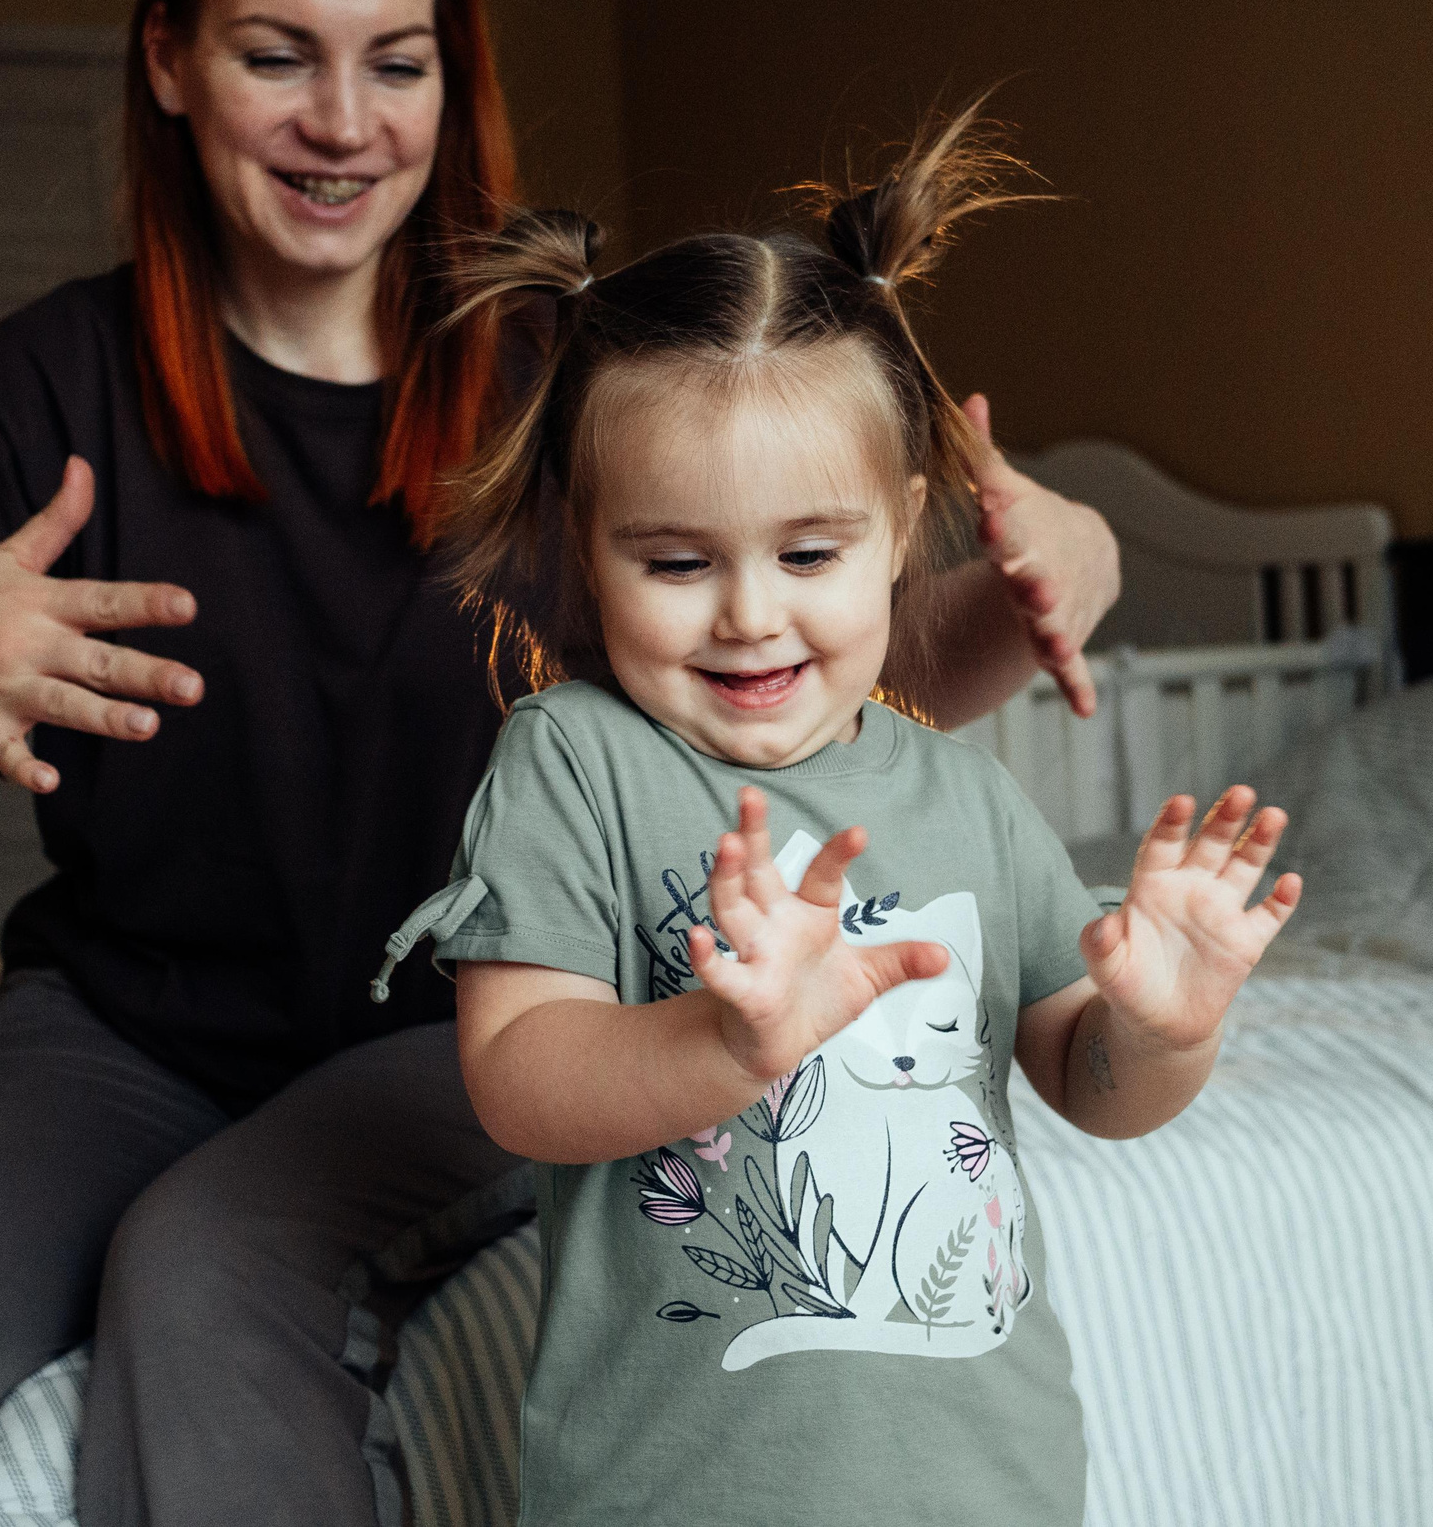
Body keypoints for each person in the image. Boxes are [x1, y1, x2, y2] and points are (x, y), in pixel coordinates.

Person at [0, 0, 1120, 1526]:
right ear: (168, 61)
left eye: (398, 62)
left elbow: (804, 696)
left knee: (203, 1261)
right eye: (275, 55)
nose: (344, 122)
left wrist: (1057, 590)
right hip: (118, 1030)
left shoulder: (549, 380)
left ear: (456, 84)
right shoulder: (37, 394)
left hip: (466, 1025)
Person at [383, 108, 1300, 1523]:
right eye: (677, 560)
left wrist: (1164, 1028)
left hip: (989, 1484)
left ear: (902, 530)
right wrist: (725, 1038)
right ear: (587, 548)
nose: (751, 613)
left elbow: (1090, 1090)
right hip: (672, 1496)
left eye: (810, 551)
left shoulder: (966, 794)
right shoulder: (577, 763)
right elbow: (518, 1075)